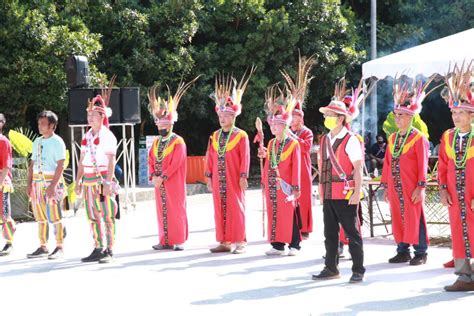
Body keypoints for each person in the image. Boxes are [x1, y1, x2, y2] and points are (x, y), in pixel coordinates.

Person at [312, 78, 366, 283]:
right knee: (330, 233)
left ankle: (358, 269)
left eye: (330, 115)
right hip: (328, 193)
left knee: (352, 233)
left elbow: (358, 169)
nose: (326, 117)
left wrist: (356, 193)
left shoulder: (351, 139)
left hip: (345, 193)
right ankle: (331, 267)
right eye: (326, 115)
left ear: (341, 118)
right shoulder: (325, 139)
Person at [381, 77, 430, 266]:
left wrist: (421, 186)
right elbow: (387, 163)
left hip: (411, 185)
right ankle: (402, 250)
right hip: (395, 185)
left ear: (411, 117)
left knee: (415, 216)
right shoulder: (393, 138)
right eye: (396, 115)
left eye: (401, 115)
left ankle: (421, 251)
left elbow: (422, 164)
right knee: (397, 216)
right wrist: (385, 186)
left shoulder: (419, 139)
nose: (397, 118)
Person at [205, 69, 253, 254]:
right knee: (220, 208)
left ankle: (240, 241)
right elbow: (210, 157)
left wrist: (243, 175)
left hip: (234, 177)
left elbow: (245, 157)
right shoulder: (215, 136)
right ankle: (224, 241)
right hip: (219, 178)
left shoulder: (241, 135)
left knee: (236, 207)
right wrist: (209, 176)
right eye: (220, 116)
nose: (222, 118)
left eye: (225, 116)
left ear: (233, 116)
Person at [147, 77, 198, 251]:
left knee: (176, 209)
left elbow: (177, 162)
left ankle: (179, 240)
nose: (161, 126)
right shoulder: (155, 142)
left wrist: (163, 176)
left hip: (173, 182)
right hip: (159, 183)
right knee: (161, 211)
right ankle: (164, 240)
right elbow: (150, 160)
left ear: (170, 124)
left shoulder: (178, 141)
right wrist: (153, 176)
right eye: (158, 123)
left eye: (164, 123)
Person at [438, 63, 474, 291]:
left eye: (461, 112)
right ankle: (464, 277)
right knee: (459, 233)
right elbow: (442, 166)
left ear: (471, 115)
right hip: (454, 195)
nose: (456, 116)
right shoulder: (448, 137)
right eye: (453, 112)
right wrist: (442, 188)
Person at [75, 80, 118, 264]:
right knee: (92, 216)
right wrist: (77, 181)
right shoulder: (86, 136)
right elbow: (82, 160)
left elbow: (111, 160)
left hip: (101, 181)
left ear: (102, 117)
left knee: (106, 214)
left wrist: (108, 182)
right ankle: (98, 246)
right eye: (88, 115)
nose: (90, 118)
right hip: (89, 181)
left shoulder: (107, 135)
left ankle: (109, 249)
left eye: (93, 115)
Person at [258, 84, 301, 256]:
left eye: (277, 125)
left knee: (289, 213)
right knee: (274, 213)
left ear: (285, 126)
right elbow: (269, 164)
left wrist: (296, 187)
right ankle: (277, 244)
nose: (273, 128)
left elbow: (296, 166)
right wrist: (263, 181)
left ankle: (295, 245)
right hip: (272, 184)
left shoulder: (293, 143)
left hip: (287, 185)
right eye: (272, 125)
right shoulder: (271, 143)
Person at [26, 111, 67, 260]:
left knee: (55, 216)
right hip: (37, 182)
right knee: (40, 216)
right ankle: (43, 246)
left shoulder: (58, 142)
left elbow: (60, 165)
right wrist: (29, 183)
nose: (40, 126)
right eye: (39, 123)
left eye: (43, 124)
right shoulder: (37, 141)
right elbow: (32, 164)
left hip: (51, 182)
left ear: (52, 126)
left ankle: (59, 246)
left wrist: (53, 186)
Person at [285, 55, 315, 240]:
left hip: (303, 169)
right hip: (289, 169)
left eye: (295, 117)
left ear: (301, 118)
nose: (292, 120)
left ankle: (305, 227)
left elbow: (304, 148)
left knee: (303, 198)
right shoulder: (287, 131)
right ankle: (291, 226)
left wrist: (291, 136)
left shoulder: (307, 132)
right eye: (291, 117)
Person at [0, 114, 15, 256]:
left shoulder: (4, 141)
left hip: (2, 183)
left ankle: (9, 242)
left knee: (5, 213)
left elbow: (6, 166)